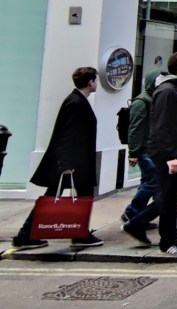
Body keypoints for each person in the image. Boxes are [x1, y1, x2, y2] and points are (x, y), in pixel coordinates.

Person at [11, 67, 102, 250]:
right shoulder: (75, 103)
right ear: (90, 82)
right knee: (59, 196)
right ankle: (28, 235)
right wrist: (67, 164)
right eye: (95, 81)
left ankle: (77, 233)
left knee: (63, 195)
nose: (96, 84)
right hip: (73, 163)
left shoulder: (76, 100)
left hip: (77, 161)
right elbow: (67, 136)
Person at [146, 52, 177, 257]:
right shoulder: (168, 92)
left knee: (175, 195)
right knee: (169, 196)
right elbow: (162, 127)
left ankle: (168, 237)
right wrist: (170, 156)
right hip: (170, 152)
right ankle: (168, 242)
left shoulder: (175, 89)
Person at [121, 67, 166, 230]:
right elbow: (135, 128)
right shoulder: (142, 102)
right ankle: (132, 212)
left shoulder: (153, 99)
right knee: (153, 181)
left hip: (151, 148)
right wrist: (133, 152)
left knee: (148, 181)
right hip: (144, 149)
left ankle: (138, 214)